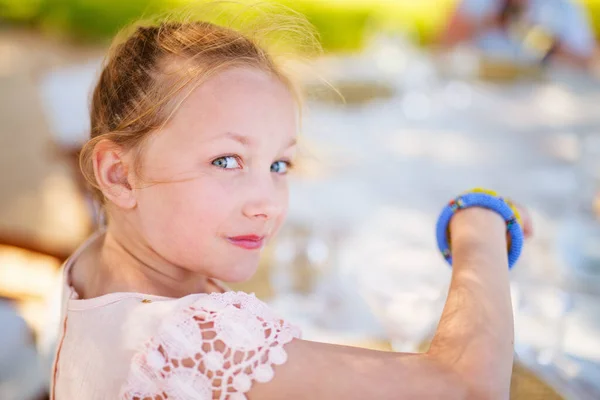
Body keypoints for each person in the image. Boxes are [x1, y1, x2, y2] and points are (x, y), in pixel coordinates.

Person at [50, 6, 534, 399]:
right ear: (119, 175)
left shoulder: (95, 265)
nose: (267, 204)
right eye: (226, 160)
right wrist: (477, 222)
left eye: (279, 166)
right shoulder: (186, 337)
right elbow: (469, 386)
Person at [440, 0, 596, 68]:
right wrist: (488, 22)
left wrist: (547, 44)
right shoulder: (481, 3)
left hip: (538, 100)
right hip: (483, 94)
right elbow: (442, 46)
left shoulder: (562, 6)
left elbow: (589, 63)